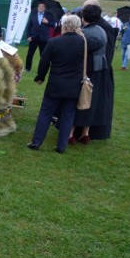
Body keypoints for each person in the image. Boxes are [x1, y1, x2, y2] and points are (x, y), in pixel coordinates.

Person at [28, 15, 84, 154]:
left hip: (56, 83)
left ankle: (37, 141)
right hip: (73, 85)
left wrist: (40, 77)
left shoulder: (54, 42)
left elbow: (44, 62)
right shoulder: (83, 42)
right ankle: (61, 146)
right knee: (68, 115)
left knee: (46, 113)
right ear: (77, 27)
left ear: (64, 25)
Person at [71, 5, 108, 145]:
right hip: (101, 69)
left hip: (88, 69)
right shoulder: (102, 30)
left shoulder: (85, 33)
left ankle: (71, 133)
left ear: (84, 17)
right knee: (92, 100)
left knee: (81, 99)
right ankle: (86, 132)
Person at [82, 0, 116, 140]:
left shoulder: (104, 27)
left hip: (99, 70)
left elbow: (108, 51)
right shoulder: (92, 25)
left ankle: (88, 131)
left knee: (94, 101)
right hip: (91, 68)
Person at [24, 2, 56, 73]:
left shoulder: (49, 15)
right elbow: (28, 27)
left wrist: (47, 22)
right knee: (30, 54)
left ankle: (41, 70)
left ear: (45, 8)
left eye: (42, 6)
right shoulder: (33, 14)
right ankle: (27, 68)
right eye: (39, 6)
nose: (40, 7)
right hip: (33, 38)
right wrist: (28, 36)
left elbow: (53, 25)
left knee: (43, 55)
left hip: (44, 38)